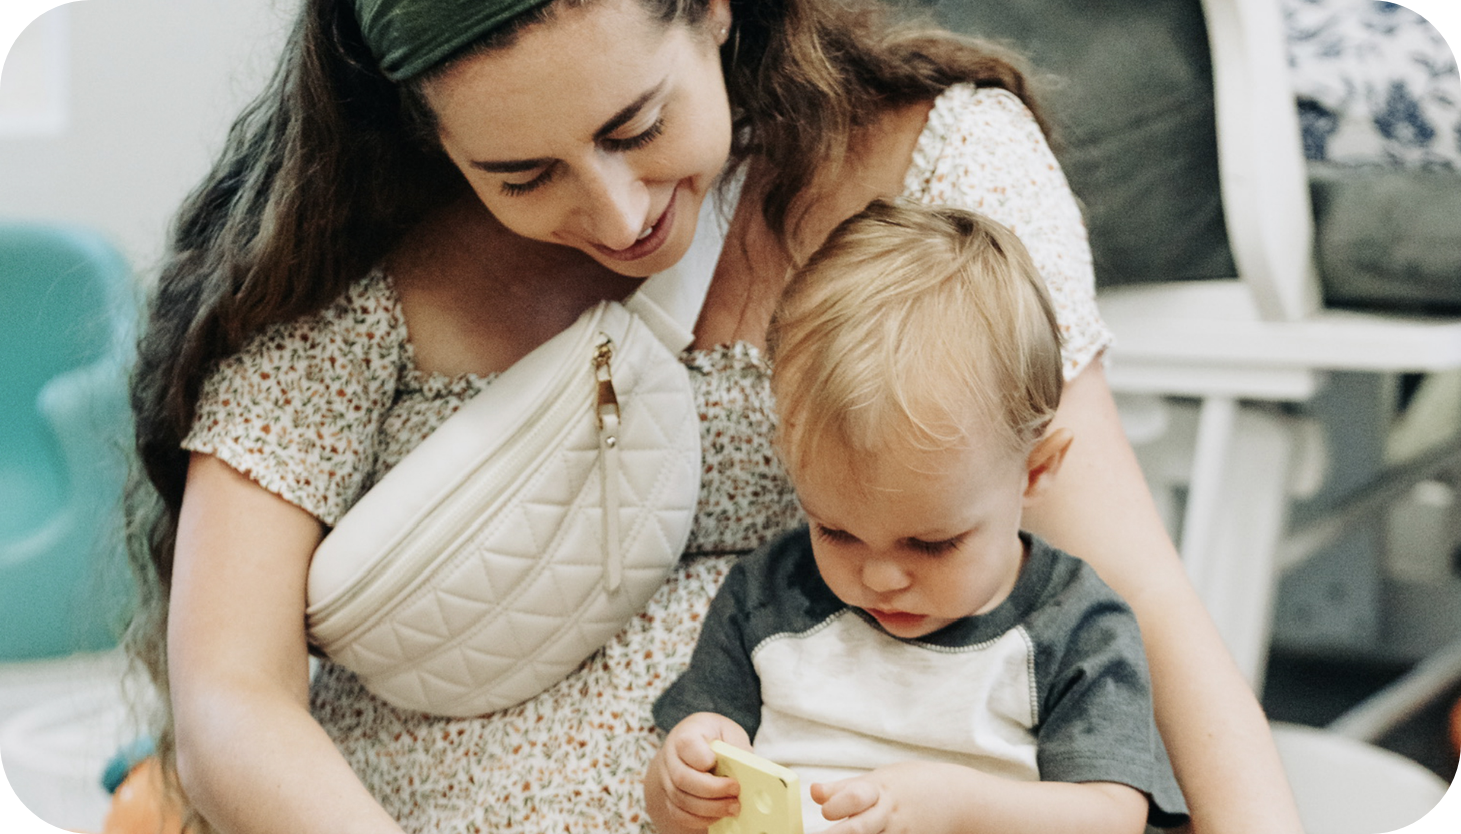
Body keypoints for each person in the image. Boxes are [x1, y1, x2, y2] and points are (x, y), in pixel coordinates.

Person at [122, 0, 1304, 832]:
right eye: (522, 176)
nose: (617, 214)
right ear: (427, 133)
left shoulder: (943, 164)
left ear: (716, 9)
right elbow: (232, 695)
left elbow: (1132, 590)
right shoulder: (342, 256)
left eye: (635, 127)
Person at [646, 200, 1189, 834]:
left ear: (1035, 472)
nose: (879, 577)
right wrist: (680, 783)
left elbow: (1112, 817)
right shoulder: (768, 597)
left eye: (932, 544)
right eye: (836, 531)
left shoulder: (1074, 627)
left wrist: (959, 808)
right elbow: (680, 807)